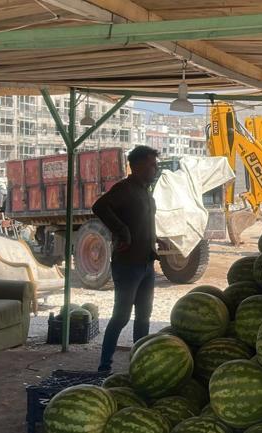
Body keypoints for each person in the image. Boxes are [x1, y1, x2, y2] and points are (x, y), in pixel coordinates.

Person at [92, 146, 159, 373]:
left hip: (146, 264)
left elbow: (143, 222)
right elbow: (99, 206)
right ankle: (104, 367)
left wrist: (157, 241)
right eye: (152, 164)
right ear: (138, 166)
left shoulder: (144, 191)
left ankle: (139, 365)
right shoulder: (125, 189)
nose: (156, 169)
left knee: (143, 318)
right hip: (128, 265)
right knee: (121, 317)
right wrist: (121, 230)